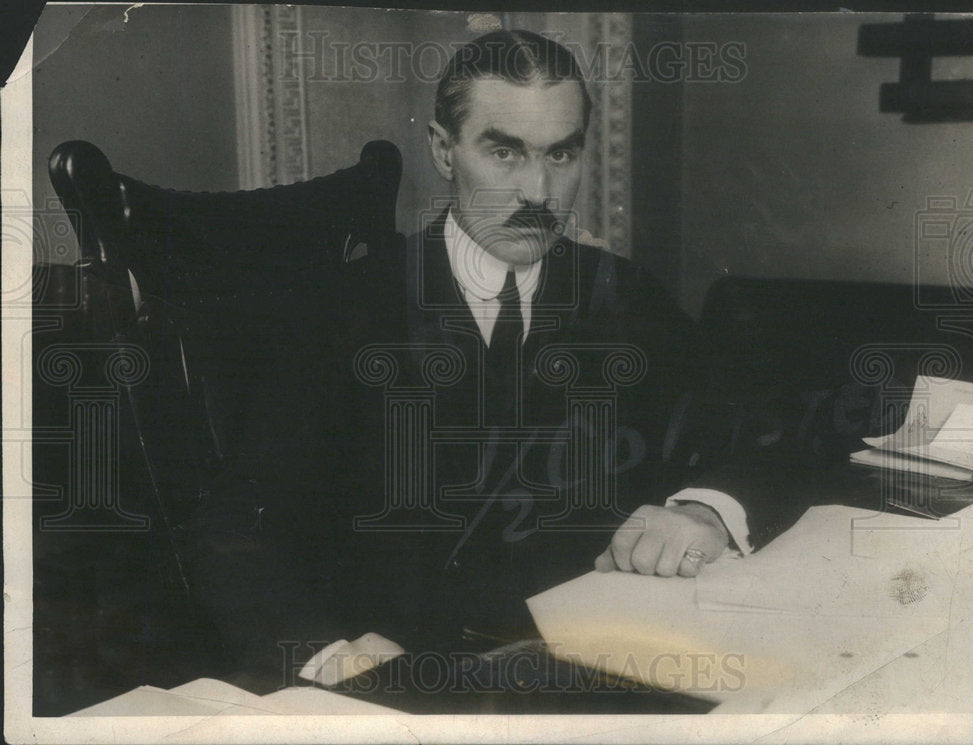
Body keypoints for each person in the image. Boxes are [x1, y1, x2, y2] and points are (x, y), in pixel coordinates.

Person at [182, 29, 814, 685]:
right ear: (443, 151)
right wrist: (327, 653)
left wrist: (705, 508)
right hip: (401, 684)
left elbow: (772, 423)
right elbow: (233, 532)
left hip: (593, 670)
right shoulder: (340, 309)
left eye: (561, 154)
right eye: (504, 152)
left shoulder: (621, 294)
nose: (537, 191)